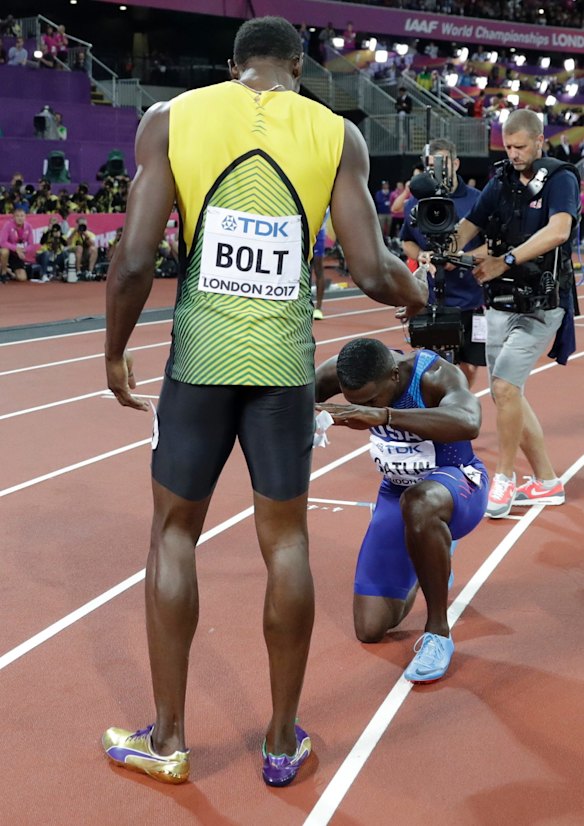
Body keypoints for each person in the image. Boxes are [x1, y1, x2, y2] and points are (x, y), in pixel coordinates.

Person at [101, 15, 427, 788]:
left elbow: (135, 256)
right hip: (282, 367)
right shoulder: (335, 134)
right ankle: (282, 741)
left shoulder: (172, 119)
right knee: (287, 545)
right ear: (298, 70)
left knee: (173, 534)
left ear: (232, 65)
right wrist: (416, 294)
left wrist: (114, 351)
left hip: (200, 363)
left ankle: (169, 739)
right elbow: (374, 268)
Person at [315, 338, 487, 683]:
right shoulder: (344, 370)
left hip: (458, 484)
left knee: (420, 503)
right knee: (370, 627)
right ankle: (431, 554)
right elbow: (296, 395)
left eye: (371, 399)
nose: (362, 407)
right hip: (396, 491)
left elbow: (470, 421)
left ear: (394, 376)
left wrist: (385, 415)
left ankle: (438, 633)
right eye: (355, 402)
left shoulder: (434, 375)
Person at [454, 108, 579, 518]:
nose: (514, 153)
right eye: (508, 146)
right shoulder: (501, 179)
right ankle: (545, 481)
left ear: (540, 141)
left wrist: (504, 259)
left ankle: (504, 479)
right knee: (506, 393)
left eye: (521, 146)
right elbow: (469, 225)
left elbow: (559, 230)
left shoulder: (561, 178)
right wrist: (444, 248)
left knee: (505, 389)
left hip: (543, 303)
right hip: (501, 302)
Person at [400, 139, 486, 388]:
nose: (436, 170)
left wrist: (460, 259)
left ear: (456, 163)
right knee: (431, 365)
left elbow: (492, 245)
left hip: (470, 298)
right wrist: (423, 255)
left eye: (442, 163)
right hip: (429, 298)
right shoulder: (415, 204)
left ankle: (462, 404)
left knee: (469, 366)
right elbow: (406, 242)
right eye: (430, 166)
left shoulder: (478, 200)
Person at [0, 207, 34, 282]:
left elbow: (31, 245)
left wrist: (23, 250)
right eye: (17, 216)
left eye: (22, 216)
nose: (20, 218)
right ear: (14, 217)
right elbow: (2, 242)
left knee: (22, 278)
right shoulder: (8, 225)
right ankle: (3, 274)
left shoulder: (28, 227)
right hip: (8, 251)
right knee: (4, 251)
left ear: (25, 217)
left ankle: (10, 272)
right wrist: (16, 249)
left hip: (17, 254)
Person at [311, 208, 328, 319]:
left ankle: (318, 308)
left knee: (318, 269)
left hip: (318, 234)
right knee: (301, 270)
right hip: (302, 233)